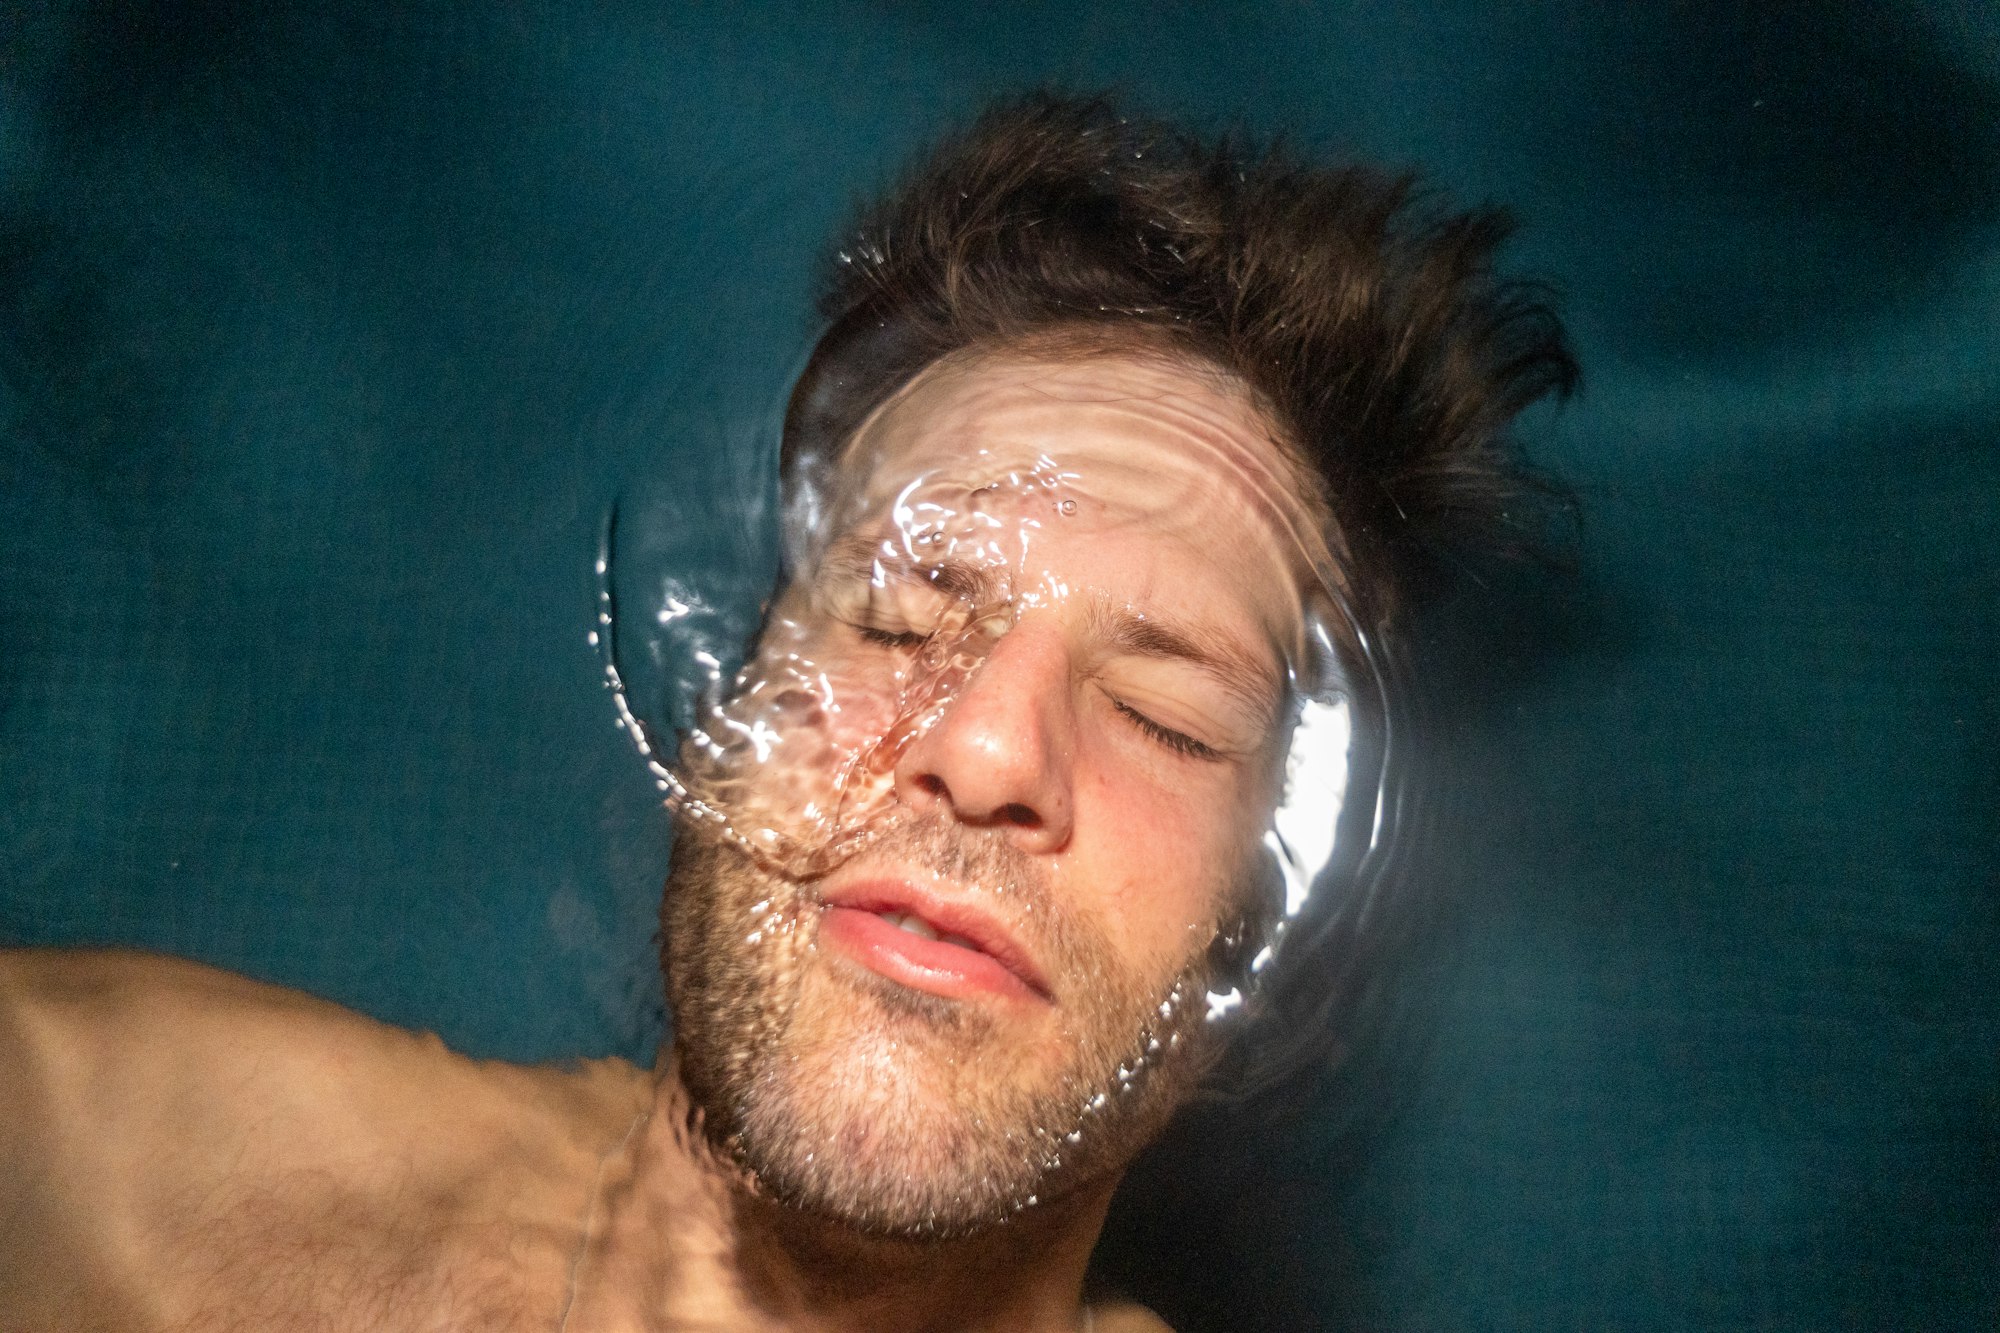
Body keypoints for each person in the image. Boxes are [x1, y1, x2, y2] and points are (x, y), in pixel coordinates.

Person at [0, 94, 1573, 1331]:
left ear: (1270, 916)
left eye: (1167, 714)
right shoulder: (79, 1155)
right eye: (896, 614)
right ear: (719, 708)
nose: (984, 749)